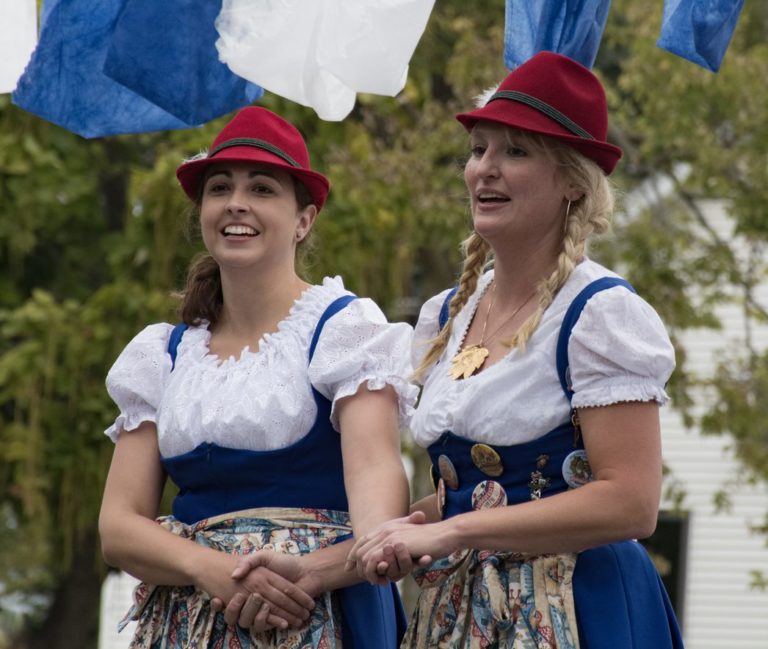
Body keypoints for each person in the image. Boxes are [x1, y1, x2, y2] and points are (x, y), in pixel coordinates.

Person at [348, 51, 685, 648]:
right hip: (459, 609)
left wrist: (454, 535)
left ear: (573, 186)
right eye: (479, 150)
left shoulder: (599, 314)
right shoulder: (447, 313)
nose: (485, 169)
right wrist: (341, 560)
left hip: (577, 607)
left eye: (516, 152)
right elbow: (466, 496)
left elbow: (631, 503)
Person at [98, 106, 418, 648]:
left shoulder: (344, 330)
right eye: (220, 187)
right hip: (194, 618)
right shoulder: (163, 354)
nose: (236, 203)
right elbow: (119, 527)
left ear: (304, 220)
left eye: (263, 188)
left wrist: (314, 571)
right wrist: (209, 568)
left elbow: (378, 493)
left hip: (322, 609)